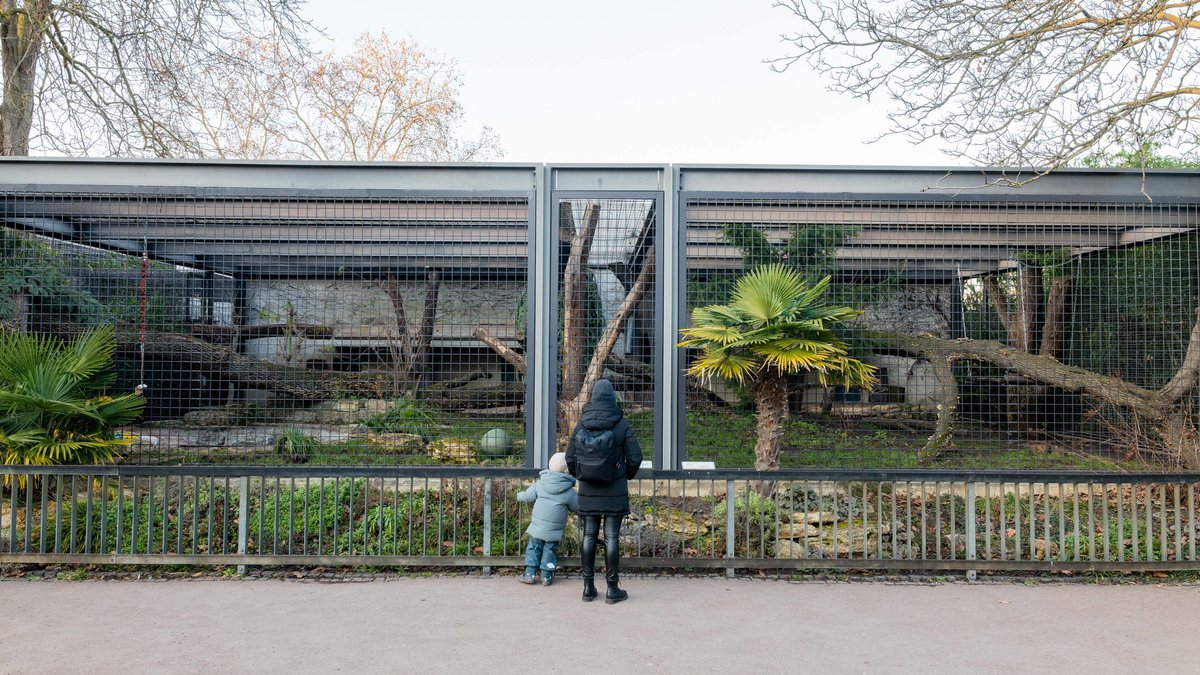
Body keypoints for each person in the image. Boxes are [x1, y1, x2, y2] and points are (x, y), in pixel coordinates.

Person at [565, 379, 643, 604]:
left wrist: (581, 475)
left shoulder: (582, 424)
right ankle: (612, 589)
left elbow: (570, 457)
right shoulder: (621, 425)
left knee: (589, 536)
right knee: (612, 538)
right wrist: (624, 474)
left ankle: (588, 588)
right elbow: (636, 457)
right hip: (614, 489)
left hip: (588, 489)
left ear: (593, 398)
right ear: (612, 398)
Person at [516, 452, 578, 586]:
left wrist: (519, 495)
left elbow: (527, 496)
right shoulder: (568, 490)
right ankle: (546, 576)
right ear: (567, 469)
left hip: (537, 526)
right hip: (554, 530)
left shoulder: (541, 484)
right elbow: (576, 506)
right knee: (550, 550)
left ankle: (529, 573)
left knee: (533, 547)